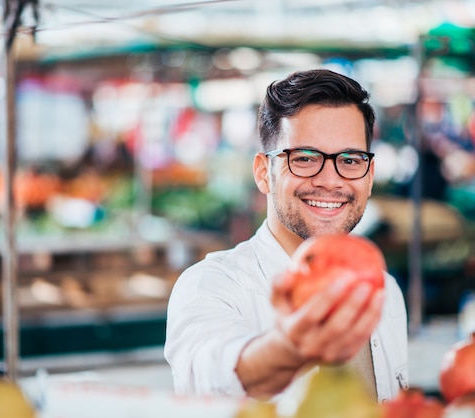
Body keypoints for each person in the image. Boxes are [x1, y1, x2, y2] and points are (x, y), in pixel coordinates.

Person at [164, 68, 408, 402]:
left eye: (350, 160)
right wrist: (293, 346)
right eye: (305, 158)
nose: (331, 180)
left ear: (369, 176)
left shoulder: (385, 292)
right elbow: (219, 375)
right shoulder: (210, 287)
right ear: (264, 174)